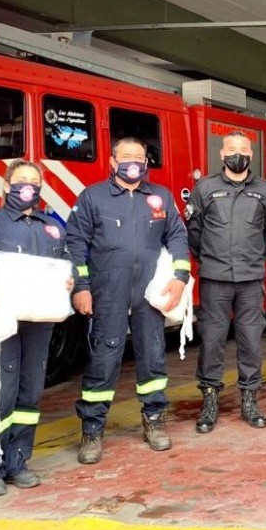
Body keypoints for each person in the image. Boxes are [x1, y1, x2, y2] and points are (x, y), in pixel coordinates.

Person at [67, 137, 190, 464]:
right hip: (107, 290)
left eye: (139, 157)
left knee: (152, 357)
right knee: (103, 359)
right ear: (112, 161)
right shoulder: (92, 197)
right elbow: (76, 243)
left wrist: (180, 279)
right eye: (126, 157)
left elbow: (178, 236)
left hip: (149, 293)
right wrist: (80, 286)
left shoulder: (160, 196)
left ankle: (154, 420)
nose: (133, 162)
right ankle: (92, 429)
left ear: (147, 162)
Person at [0, 159, 72, 496]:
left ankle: (17, 462)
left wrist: (68, 282)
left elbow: (66, 265)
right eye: (21, 180)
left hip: (38, 321)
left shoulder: (51, 226)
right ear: (7, 186)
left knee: (29, 392)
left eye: (34, 181)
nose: (28, 186)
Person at [186, 131, 266, 432]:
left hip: (251, 279)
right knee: (212, 341)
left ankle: (250, 400)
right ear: (221, 154)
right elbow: (194, 232)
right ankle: (210, 399)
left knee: (250, 340)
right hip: (215, 279)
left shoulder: (265, 191)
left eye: (243, 149)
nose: (237, 154)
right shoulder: (205, 188)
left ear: (251, 155)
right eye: (231, 149)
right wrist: (211, 260)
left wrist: (251, 259)